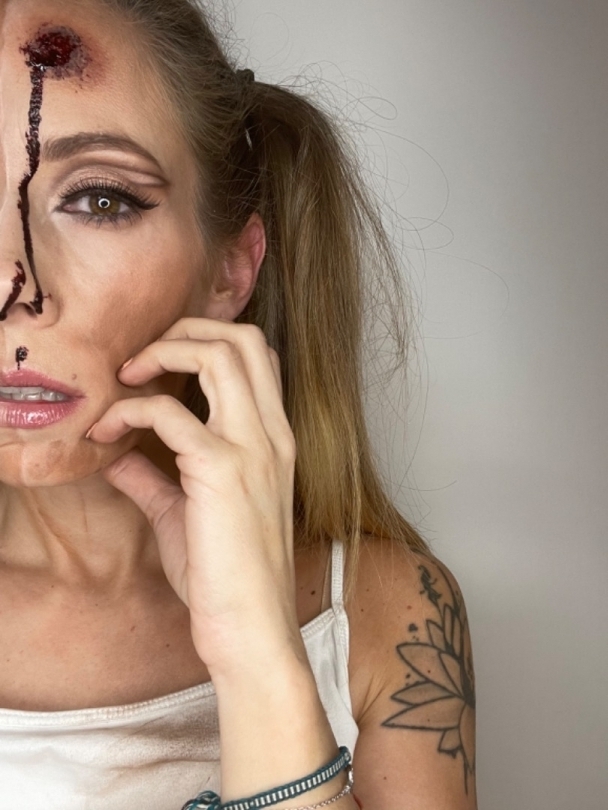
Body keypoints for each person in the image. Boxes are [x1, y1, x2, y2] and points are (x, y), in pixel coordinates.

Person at [0, 0, 477, 807]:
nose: (15, 287)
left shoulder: (388, 613)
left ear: (229, 270)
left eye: (100, 199)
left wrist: (257, 652)